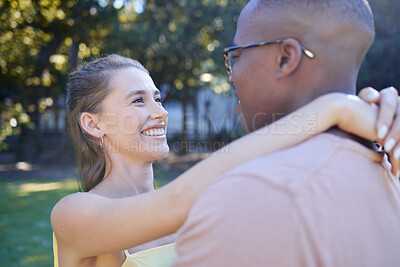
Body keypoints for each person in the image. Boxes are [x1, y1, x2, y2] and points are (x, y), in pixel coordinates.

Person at [51, 54, 398, 267]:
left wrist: (382, 139)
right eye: (138, 101)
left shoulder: (198, 203)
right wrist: (333, 107)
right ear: (93, 124)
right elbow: (176, 201)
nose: (160, 112)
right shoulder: (73, 215)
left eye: (157, 98)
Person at [172, 0, 400, 266]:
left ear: (285, 58)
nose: (232, 77)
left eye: (236, 56)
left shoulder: (256, 197)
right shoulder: (390, 170)